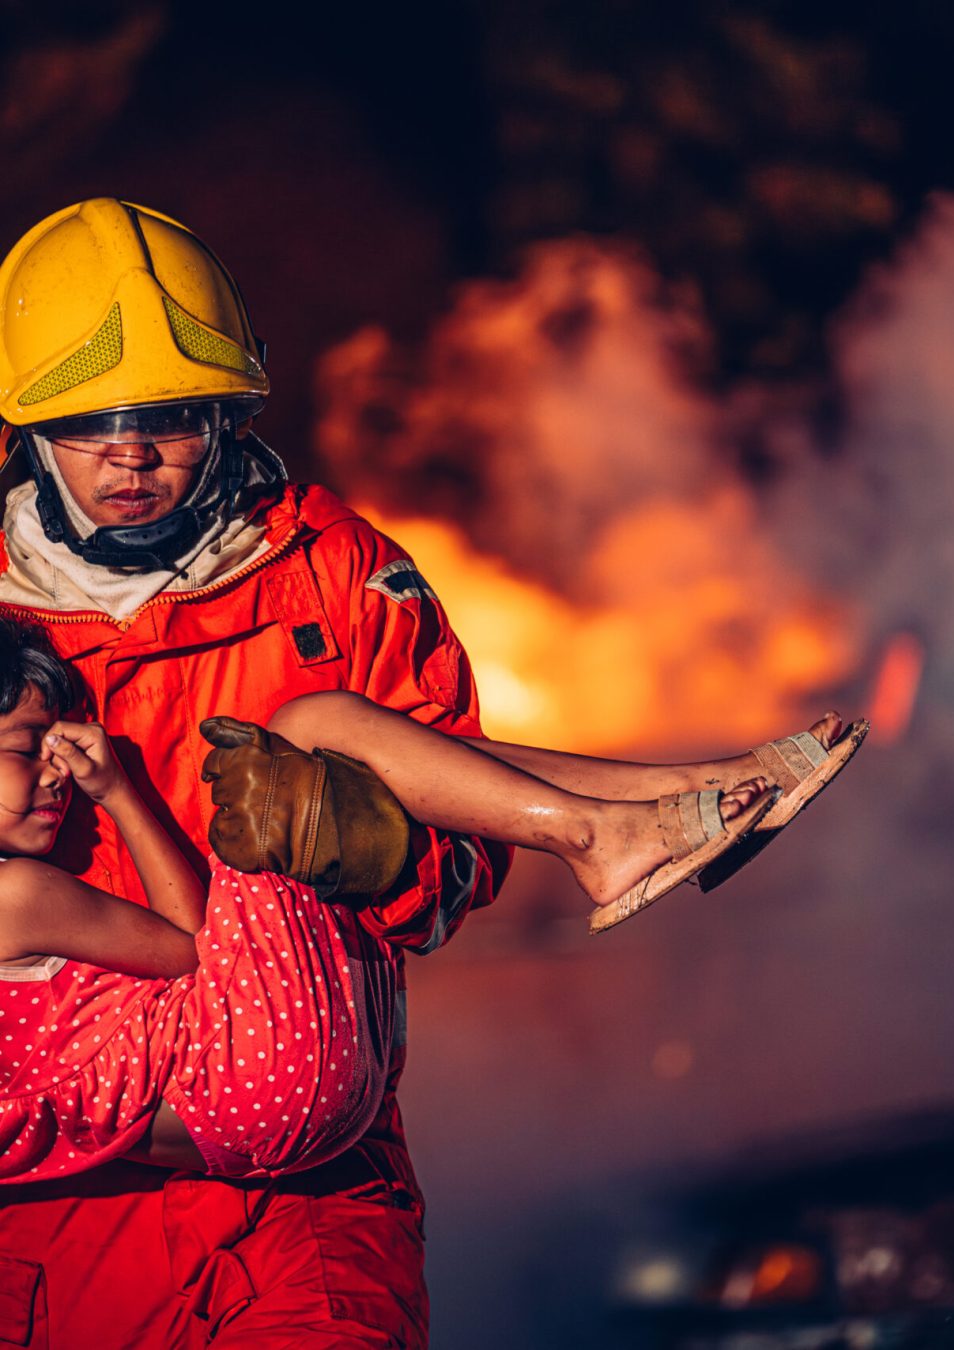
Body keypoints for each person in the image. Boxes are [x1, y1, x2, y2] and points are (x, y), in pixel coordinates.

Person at [0, 196, 513, 1349]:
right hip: (40, 1207)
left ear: (234, 404)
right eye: (92, 420)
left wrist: (380, 848)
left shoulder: (337, 579)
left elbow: (471, 860)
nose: (133, 453)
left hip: (304, 1203)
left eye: (174, 414)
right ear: (24, 424)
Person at [0, 617, 776, 1183]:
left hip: (261, 1113)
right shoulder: (15, 897)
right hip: (248, 1070)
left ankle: (654, 805)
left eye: (59, 745)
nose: (58, 770)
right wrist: (123, 795)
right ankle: (625, 819)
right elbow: (186, 947)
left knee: (350, 769)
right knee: (311, 731)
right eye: (26, 748)